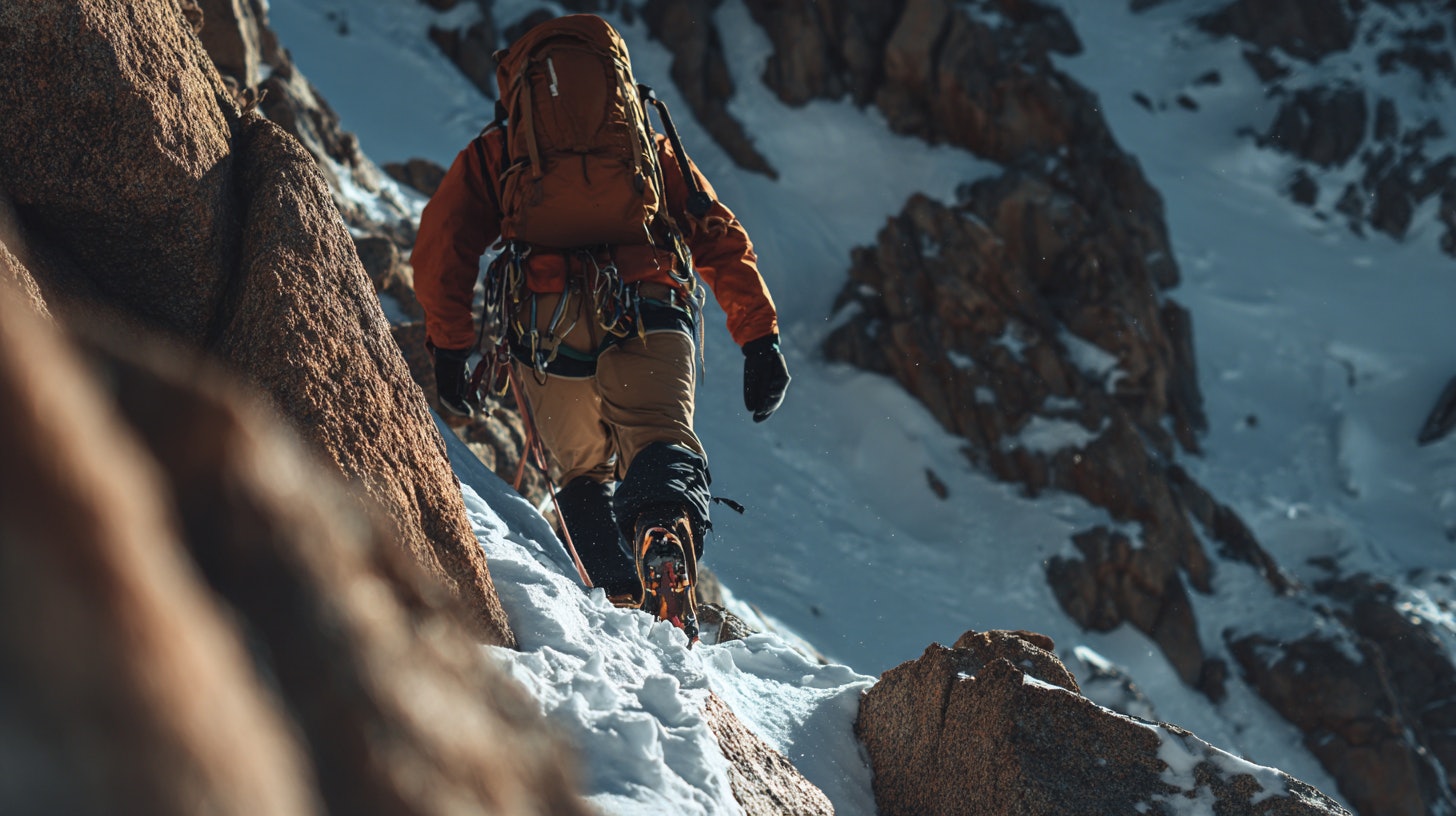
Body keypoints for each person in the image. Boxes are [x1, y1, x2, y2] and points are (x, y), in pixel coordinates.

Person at [411, 14, 789, 636]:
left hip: (545, 323)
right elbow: (719, 236)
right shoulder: (643, 143)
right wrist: (760, 338)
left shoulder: (502, 149)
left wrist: (450, 347)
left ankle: (617, 594)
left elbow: (442, 244)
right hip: (649, 303)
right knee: (659, 437)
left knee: (580, 474)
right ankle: (663, 531)